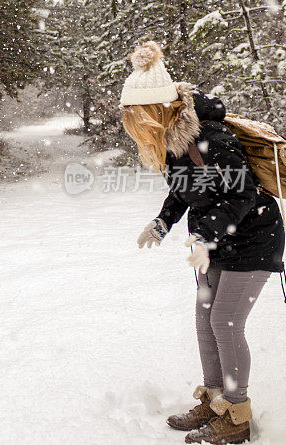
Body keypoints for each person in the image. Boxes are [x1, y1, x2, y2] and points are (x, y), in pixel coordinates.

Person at [121, 42, 284, 444]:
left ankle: (237, 414)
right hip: (212, 242)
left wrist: (206, 236)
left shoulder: (210, 136)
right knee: (205, 320)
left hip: (252, 238)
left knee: (225, 323)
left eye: (137, 116)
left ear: (156, 110)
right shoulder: (172, 141)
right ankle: (214, 401)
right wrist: (162, 223)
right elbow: (183, 191)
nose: (135, 125)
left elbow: (241, 194)